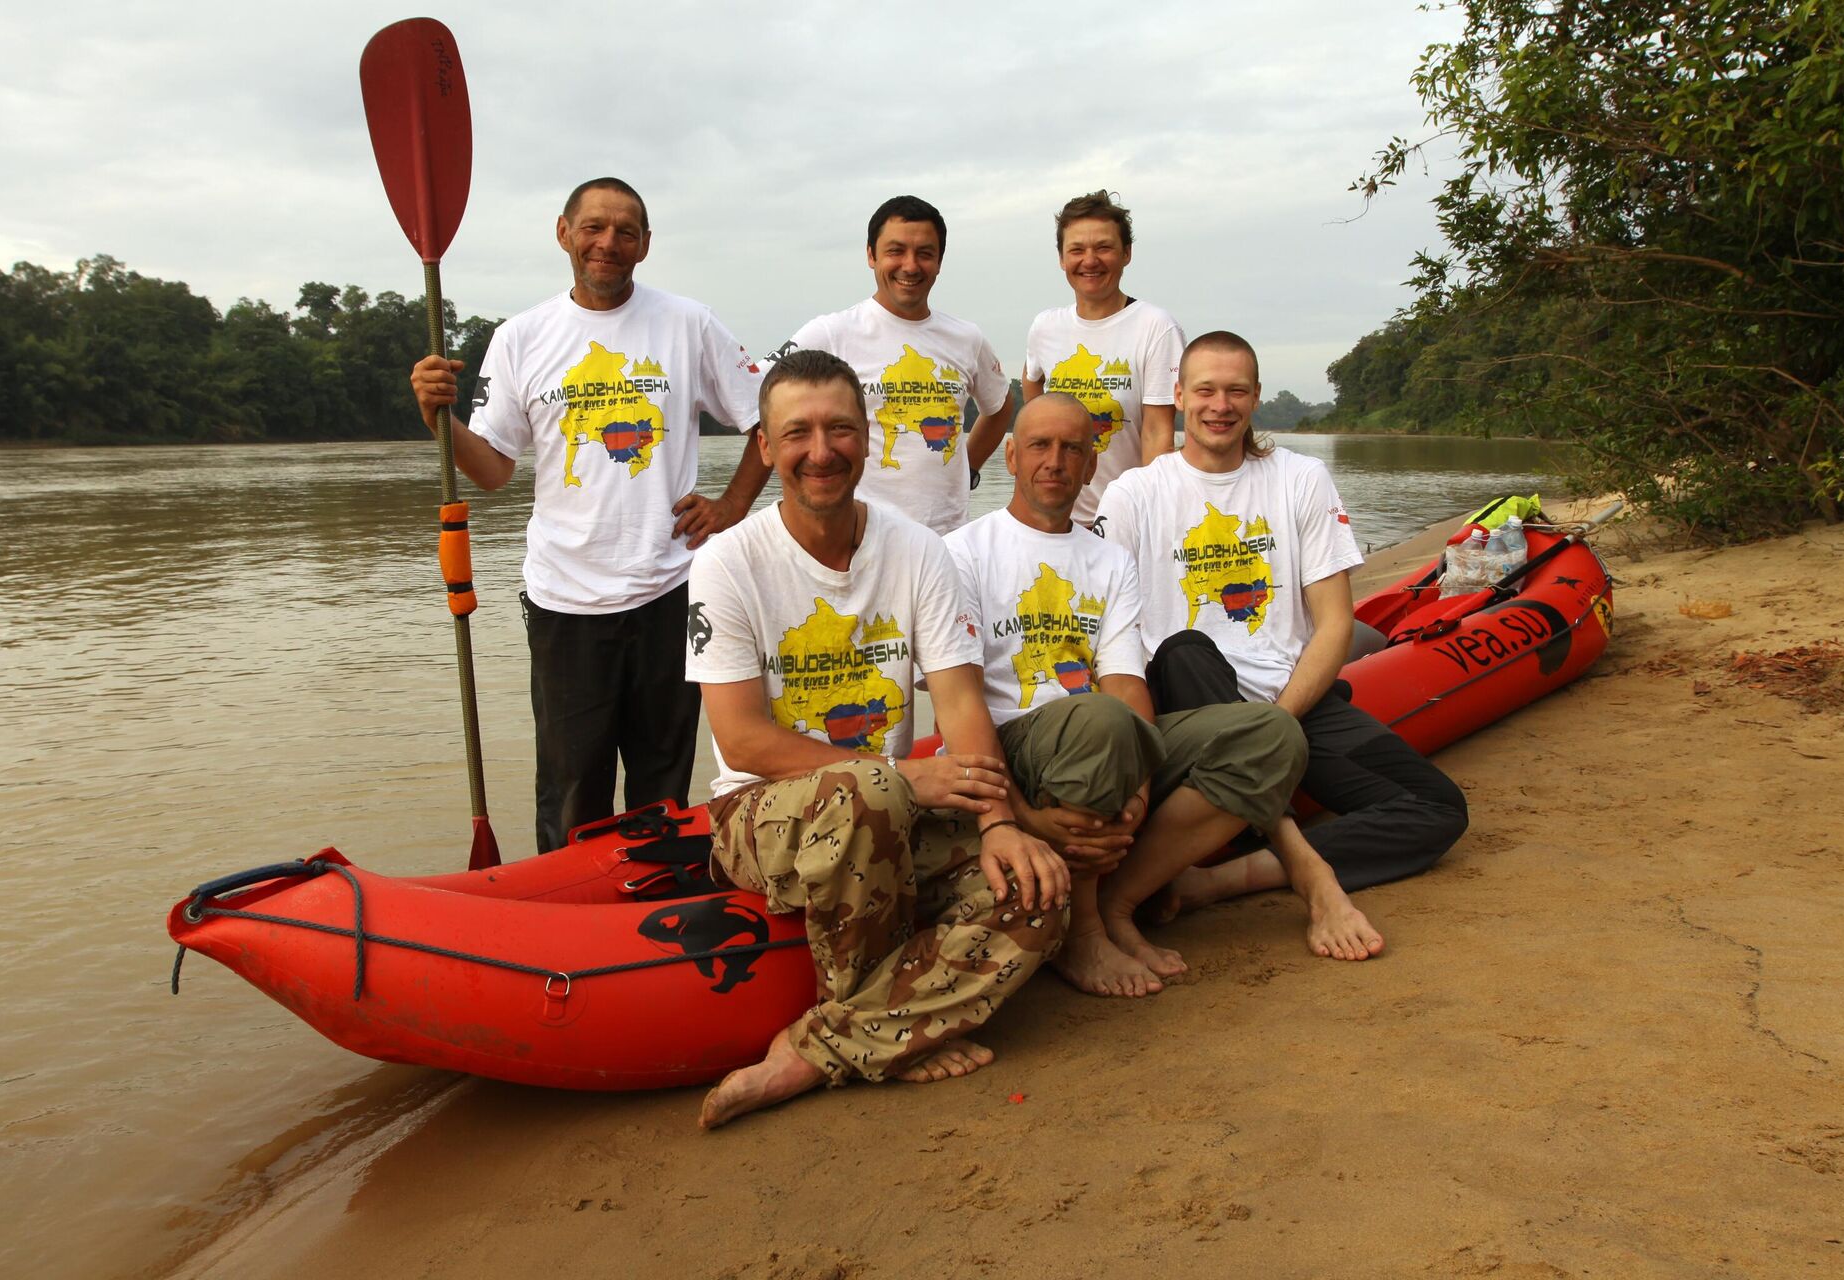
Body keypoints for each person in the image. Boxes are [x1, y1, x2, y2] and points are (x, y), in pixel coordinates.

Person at [686, 348, 1068, 1128]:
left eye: (839, 430)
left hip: (881, 810)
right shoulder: (728, 561)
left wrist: (998, 823)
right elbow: (743, 738)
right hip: (757, 819)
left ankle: (821, 1047)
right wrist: (902, 778)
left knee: (1037, 894)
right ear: (764, 447)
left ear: (868, 438)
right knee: (874, 787)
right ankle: (899, 1029)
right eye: (797, 433)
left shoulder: (918, 550)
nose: (820, 452)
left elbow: (961, 706)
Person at [946, 394, 1377, 997]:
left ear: (1093, 464)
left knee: (1271, 734)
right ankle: (1084, 932)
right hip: (1022, 743)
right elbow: (957, 702)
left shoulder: (1109, 561)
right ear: (1010, 456)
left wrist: (1141, 790)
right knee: (1097, 716)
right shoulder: (960, 555)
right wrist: (1015, 811)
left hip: (1103, 739)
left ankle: (1123, 900)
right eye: (1039, 446)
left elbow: (1126, 681)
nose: (1055, 461)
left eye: (1073, 448)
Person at [410, 177, 771, 852]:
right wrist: (440, 417)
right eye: (594, 228)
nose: (608, 243)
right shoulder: (521, 337)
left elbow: (766, 419)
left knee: (663, 783)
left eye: (625, 231)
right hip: (564, 602)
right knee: (572, 789)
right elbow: (492, 470)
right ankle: (571, 919)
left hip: (671, 589)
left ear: (644, 245)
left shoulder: (688, 323)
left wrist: (732, 506)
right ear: (564, 233)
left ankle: (655, 910)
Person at [1097, 331, 1469, 908]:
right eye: (1206, 390)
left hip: (1291, 701)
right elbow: (1105, 631)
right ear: (1177, 395)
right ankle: (1299, 853)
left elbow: (1335, 624)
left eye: (1236, 391)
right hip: (1191, 708)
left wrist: (1280, 724)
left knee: (1439, 807)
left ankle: (1215, 882)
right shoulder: (1134, 494)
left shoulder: (1300, 478)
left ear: (1256, 396)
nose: (1221, 405)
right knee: (1185, 648)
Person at [774, 195, 1011, 535]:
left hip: (949, 540)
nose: (910, 266)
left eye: (925, 253)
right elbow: (756, 393)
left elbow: (1000, 407)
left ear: (940, 261)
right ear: (871, 255)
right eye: (895, 251)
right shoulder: (831, 333)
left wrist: (967, 468)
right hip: (861, 539)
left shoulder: (967, 338)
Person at [1022, 190, 1185, 528]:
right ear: (1062, 259)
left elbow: (1157, 434)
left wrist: (1147, 518)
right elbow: (1031, 381)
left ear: (1126, 253)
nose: (1090, 261)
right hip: (1056, 520)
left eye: (1104, 248)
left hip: (1126, 521)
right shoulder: (1045, 327)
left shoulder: (1156, 327)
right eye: (1077, 250)